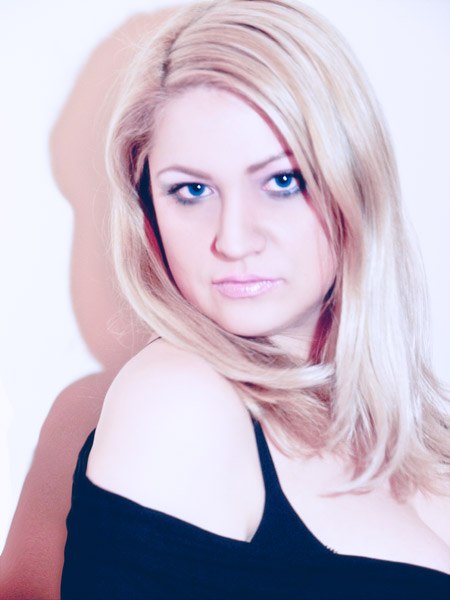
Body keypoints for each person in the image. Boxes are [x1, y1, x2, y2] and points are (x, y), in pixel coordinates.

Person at [60, 0, 450, 597]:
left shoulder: (425, 432)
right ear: (148, 208)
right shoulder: (177, 401)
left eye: (282, 181)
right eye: (192, 190)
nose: (234, 239)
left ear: (357, 183)